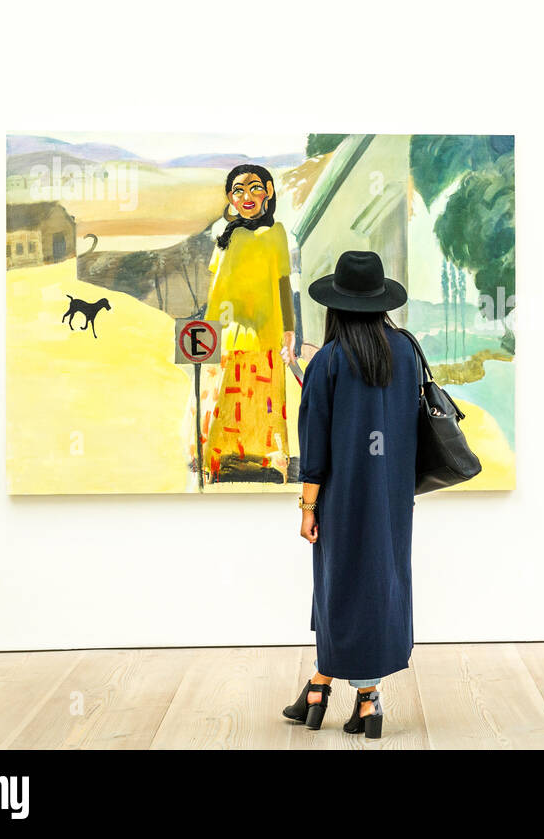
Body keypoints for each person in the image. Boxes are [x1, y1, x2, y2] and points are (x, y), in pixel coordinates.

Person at [281, 250, 420, 739]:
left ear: (334, 306)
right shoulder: (405, 350)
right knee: (380, 584)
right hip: (393, 496)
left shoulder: (331, 360)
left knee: (339, 588)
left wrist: (307, 506)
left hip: (341, 498)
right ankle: (364, 699)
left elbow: (314, 444)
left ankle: (324, 692)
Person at [193, 164, 297, 483]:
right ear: (230, 198)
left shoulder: (276, 233)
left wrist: (290, 332)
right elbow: (214, 286)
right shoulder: (227, 237)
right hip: (225, 333)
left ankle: (264, 460)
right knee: (221, 397)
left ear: (268, 190)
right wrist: (205, 330)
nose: (246, 196)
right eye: (238, 190)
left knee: (261, 400)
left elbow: (283, 284)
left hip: (266, 334)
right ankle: (218, 459)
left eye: (254, 187)